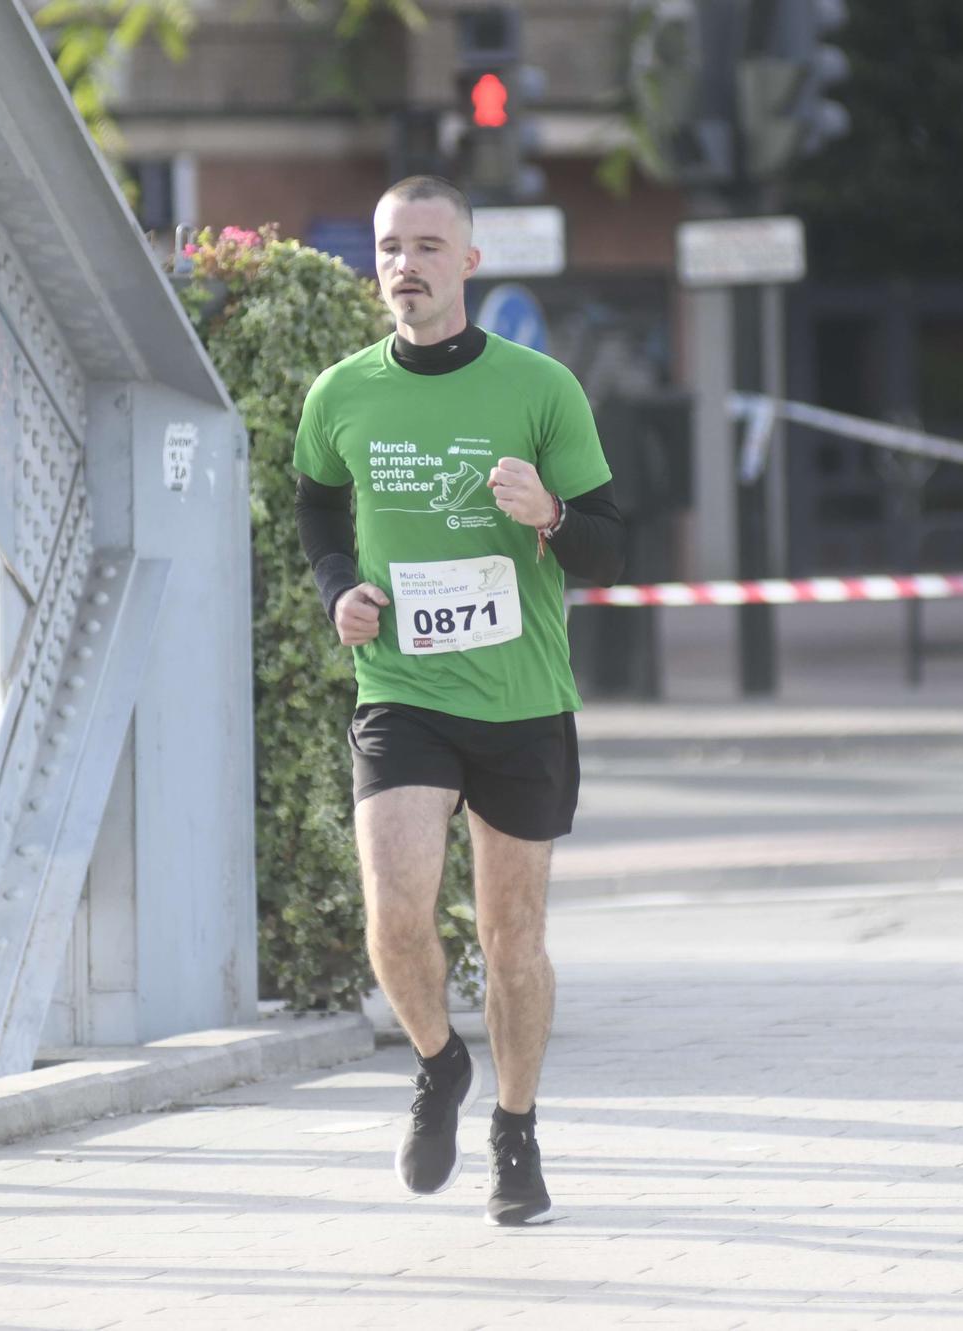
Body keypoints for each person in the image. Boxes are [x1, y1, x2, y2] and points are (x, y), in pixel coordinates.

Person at [293, 175, 626, 1225]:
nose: (407, 263)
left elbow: (619, 547)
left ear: (468, 263)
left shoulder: (539, 388)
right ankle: (439, 1063)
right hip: (402, 687)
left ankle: (514, 1129)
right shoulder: (340, 393)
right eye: (391, 245)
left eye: (429, 245)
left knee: (509, 934)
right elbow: (313, 508)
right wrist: (336, 588)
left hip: (521, 695)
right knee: (393, 910)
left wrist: (552, 511)